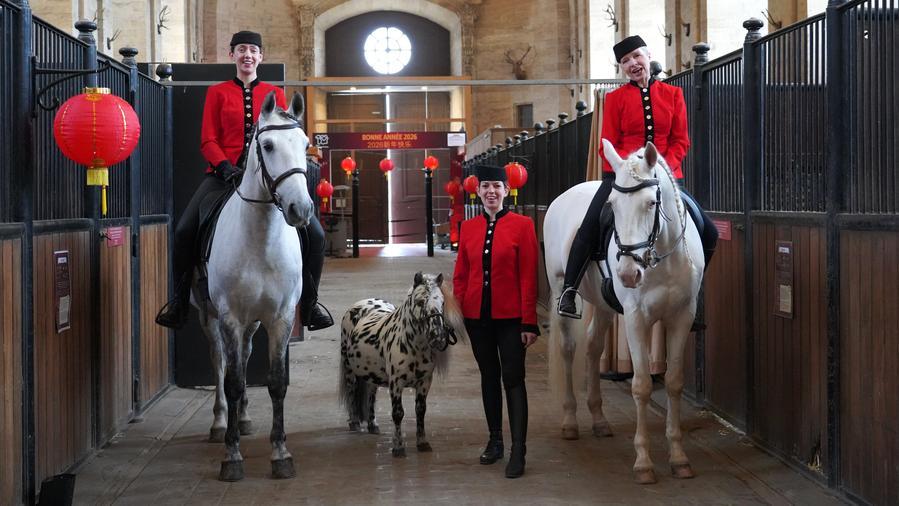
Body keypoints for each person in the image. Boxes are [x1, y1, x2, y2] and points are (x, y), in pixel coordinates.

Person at [155, 30, 333, 331]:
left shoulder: (275, 94)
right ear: (232, 55)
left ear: (260, 56)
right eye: (241, 50)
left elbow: (283, 138)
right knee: (184, 230)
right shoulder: (218, 93)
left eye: (252, 50)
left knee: (315, 234)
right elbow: (208, 139)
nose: (247, 55)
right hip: (223, 176)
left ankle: (310, 305)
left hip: (266, 179)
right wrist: (225, 167)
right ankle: (179, 301)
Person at [557, 35, 718, 323]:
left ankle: (692, 290)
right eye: (625, 61)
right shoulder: (615, 99)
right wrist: (627, 170)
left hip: (665, 178)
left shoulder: (673, 95)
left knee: (709, 231)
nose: (632, 63)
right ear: (622, 68)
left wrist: (662, 169)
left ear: (648, 56)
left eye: (636, 56)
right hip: (622, 177)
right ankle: (569, 289)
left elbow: (680, 141)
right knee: (590, 224)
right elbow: (607, 143)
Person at [453, 164, 539, 479]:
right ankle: (495, 441)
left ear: (506, 190)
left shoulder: (523, 226)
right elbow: (461, 275)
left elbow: (529, 276)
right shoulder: (468, 228)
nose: (491, 191)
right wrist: (457, 314)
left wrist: (529, 322)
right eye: (486, 186)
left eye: (497, 186)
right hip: (477, 318)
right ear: (478, 191)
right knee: (488, 377)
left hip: (512, 319)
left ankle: (518, 450)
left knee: (513, 379)